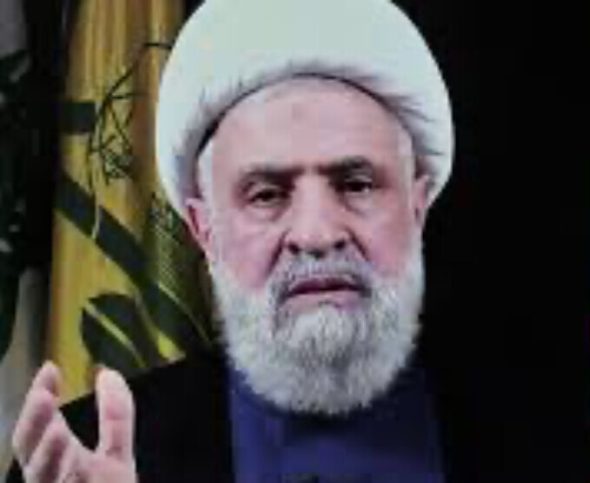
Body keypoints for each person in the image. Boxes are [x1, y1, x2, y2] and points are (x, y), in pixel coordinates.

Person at [7, 0, 460, 481]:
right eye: (266, 195)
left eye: (357, 185)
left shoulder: (520, 414)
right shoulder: (79, 454)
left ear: (417, 208)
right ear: (204, 230)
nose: (316, 234)